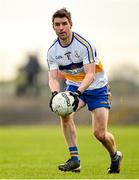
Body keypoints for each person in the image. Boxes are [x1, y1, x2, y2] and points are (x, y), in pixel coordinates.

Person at [46, 8, 122, 173]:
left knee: (100, 134)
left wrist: (77, 94)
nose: (61, 28)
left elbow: (90, 75)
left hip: (97, 88)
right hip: (74, 86)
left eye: (64, 24)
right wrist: (54, 95)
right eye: (57, 24)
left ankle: (115, 156)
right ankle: (75, 160)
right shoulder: (52, 51)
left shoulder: (84, 45)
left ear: (71, 24)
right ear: (53, 27)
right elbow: (52, 77)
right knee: (65, 114)